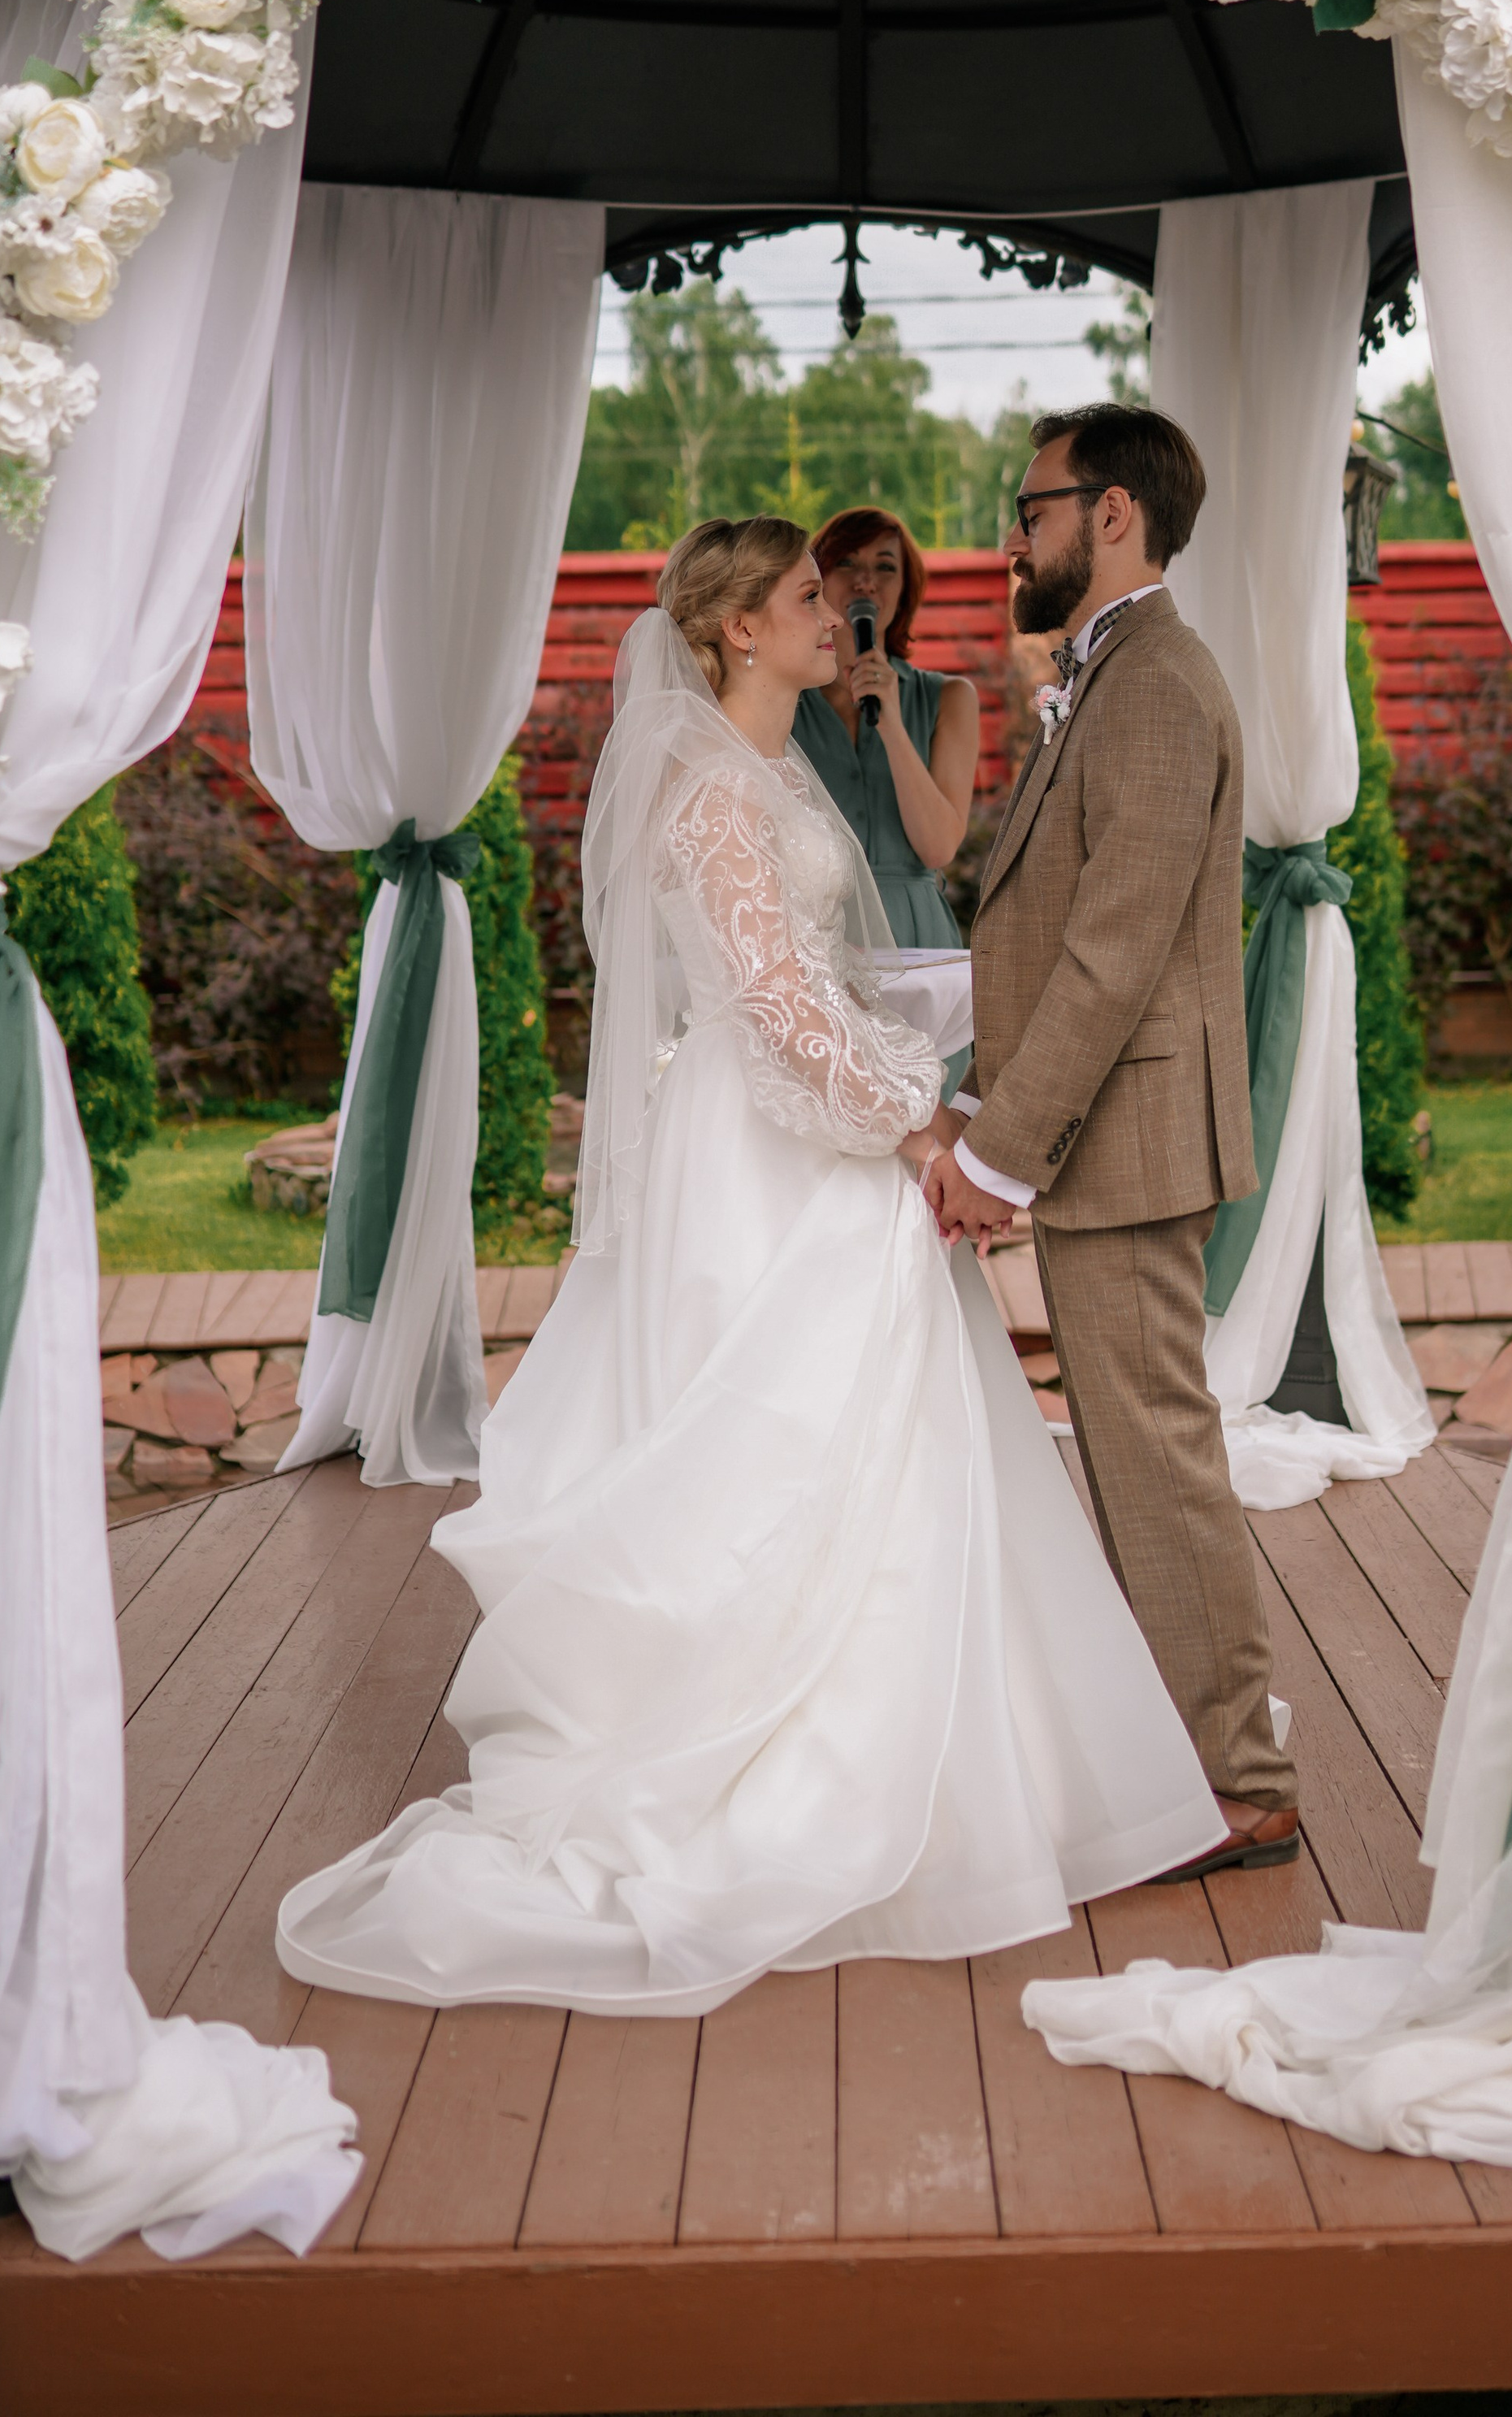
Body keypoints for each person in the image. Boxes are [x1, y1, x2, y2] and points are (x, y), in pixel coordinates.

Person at [275, 516, 1221, 2016]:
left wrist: (925, 1056)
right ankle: (788, 1766)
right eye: (804, 599)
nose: (835, 614)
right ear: (734, 631)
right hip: (762, 1149)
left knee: (891, 1432)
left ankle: (952, 1758)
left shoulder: (777, 767)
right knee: (778, 1441)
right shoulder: (714, 788)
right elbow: (772, 1003)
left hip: (815, 1105)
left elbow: (820, 969)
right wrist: (918, 1130)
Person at [923, 405, 1300, 1877]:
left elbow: (1112, 949)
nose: (1011, 536)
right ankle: (1187, 1757)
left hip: (1128, 1137)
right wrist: (973, 1101)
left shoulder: (1151, 684)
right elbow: (1052, 924)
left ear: (1116, 516)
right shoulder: (1111, 673)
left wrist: (1000, 1152)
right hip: (1110, 1126)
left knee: (1156, 1456)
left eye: (1031, 509)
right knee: (1145, 1452)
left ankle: (1241, 1782)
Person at [791, 506, 979, 951]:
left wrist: (891, 723)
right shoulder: (783, 699)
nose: (866, 581)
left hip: (917, 937)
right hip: (813, 938)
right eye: (847, 563)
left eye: (885, 567)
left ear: (906, 589)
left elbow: (937, 849)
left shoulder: (950, 698)